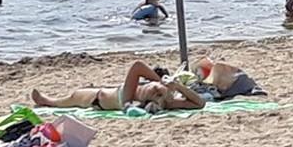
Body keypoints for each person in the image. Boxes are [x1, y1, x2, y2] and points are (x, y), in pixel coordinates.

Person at [30, 60, 204, 112]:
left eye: (156, 88)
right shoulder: (143, 92)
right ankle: (48, 101)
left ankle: (47, 101)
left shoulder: (162, 99)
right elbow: (199, 103)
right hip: (101, 97)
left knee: (70, 98)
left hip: (98, 99)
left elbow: (137, 66)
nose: (156, 89)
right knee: (71, 98)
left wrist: (171, 86)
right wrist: (175, 87)